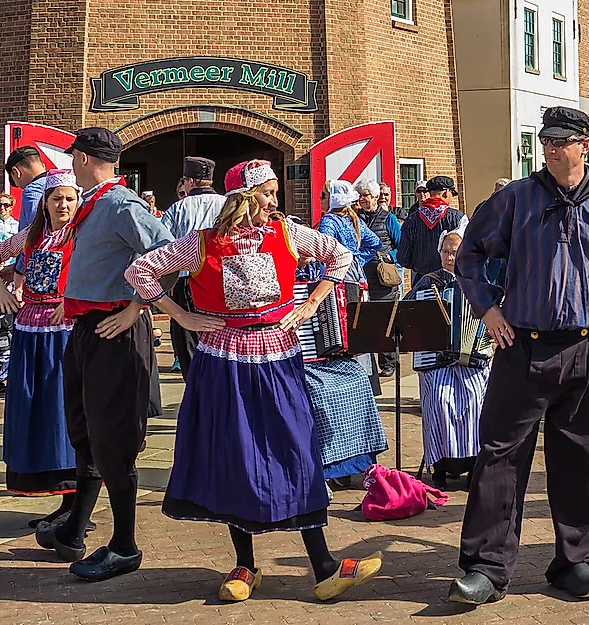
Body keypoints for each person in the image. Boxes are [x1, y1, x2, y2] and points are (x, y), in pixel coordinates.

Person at [125, 158, 383, 603]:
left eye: (274, 193)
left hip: (277, 356)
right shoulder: (203, 243)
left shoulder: (287, 233)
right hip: (223, 359)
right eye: (267, 192)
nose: (274, 201)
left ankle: (323, 565)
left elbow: (339, 257)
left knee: (295, 448)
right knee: (234, 452)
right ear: (243, 197)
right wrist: (182, 315)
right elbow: (140, 271)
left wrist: (310, 303)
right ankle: (245, 564)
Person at [448, 106, 589, 605]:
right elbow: (468, 255)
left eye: (560, 140)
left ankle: (574, 562)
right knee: (499, 457)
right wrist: (487, 309)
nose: (550, 148)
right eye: (545, 139)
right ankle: (486, 567)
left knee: (579, 459)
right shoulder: (515, 199)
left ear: (583, 146)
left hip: (586, 348)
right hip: (521, 346)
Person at [54, 128, 173, 583]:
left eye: (73, 158)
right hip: (86, 328)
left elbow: (173, 253)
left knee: (113, 440)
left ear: (83, 158)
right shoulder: (93, 202)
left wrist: (137, 307)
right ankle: (76, 526)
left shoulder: (122, 204)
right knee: (85, 430)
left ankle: (124, 545)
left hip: (114, 331)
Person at [0, 170, 81, 529]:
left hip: (64, 331)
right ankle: (56, 493)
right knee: (35, 407)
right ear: (45, 202)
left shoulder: (81, 234)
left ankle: (75, 500)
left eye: (69, 198)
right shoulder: (32, 235)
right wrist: (3, 291)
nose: (63, 204)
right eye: (57, 198)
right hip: (30, 328)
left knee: (62, 408)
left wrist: (73, 300)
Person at [310, 180, 387, 484]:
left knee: (336, 332)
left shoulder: (329, 221)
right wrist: (357, 261)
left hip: (334, 283)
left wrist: (325, 271)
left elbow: (323, 254)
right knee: (357, 339)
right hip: (356, 282)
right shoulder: (353, 220)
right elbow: (374, 244)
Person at [408, 222, 491, 491]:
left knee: (473, 400)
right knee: (440, 400)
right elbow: (410, 317)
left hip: (472, 359)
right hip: (436, 360)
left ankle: (472, 465)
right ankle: (440, 467)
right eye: (445, 251)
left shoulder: (480, 281)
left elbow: (495, 314)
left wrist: (487, 340)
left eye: (455, 252)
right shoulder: (427, 283)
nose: (450, 257)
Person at [160, 157, 226, 378]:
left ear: (189, 182)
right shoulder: (227, 205)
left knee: (187, 340)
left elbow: (162, 247)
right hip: (221, 281)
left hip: (186, 280)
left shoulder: (177, 208)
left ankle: (194, 386)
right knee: (220, 335)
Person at [354, 178, 402, 377]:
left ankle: (389, 362)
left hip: (383, 278)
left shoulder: (388, 219)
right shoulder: (355, 219)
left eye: (366, 195)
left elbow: (402, 245)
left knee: (385, 321)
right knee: (367, 322)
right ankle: (369, 366)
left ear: (375, 197)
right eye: (360, 195)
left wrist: (389, 256)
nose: (362, 199)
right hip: (362, 277)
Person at [397, 175, 465, 285]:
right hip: (451, 281)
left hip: (421, 280)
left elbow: (402, 258)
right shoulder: (458, 218)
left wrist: (419, 264)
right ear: (446, 193)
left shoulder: (411, 219)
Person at [6, 145, 49, 228]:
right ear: (43, 165)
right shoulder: (66, 184)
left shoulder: (32, 190)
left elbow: (35, 229)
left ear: (16, 172)